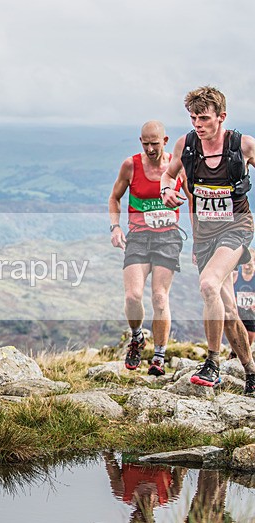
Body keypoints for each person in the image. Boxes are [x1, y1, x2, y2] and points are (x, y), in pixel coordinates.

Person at [161, 86, 255, 396]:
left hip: (237, 228)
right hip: (204, 237)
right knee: (226, 307)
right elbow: (169, 175)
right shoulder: (186, 145)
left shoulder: (242, 146)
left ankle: (212, 364)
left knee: (208, 285)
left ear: (221, 117)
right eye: (192, 118)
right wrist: (167, 191)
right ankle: (251, 371)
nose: (197, 125)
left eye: (204, 118)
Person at [109, 121, 187, 375]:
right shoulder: (131, 165)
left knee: (159, 297)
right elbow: (114, 197)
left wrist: (202, 235)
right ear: (140, 142)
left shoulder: (178, 166)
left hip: (168, 238)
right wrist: (115, 227)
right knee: (133, 295)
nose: (151, 148)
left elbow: (195, 199)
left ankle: (159, 356)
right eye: (146, 143)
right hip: (139, 237)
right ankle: (136, 337)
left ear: (165, 141)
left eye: (155, 143)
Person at [230, 248, 255, 357]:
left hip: (251, 312)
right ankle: (234, 354)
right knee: (237, 334)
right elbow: (228, 290)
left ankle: (245, 356)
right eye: (244, 264)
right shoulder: (235, 276)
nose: (246, 266)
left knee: (249, 336)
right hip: (237, 311)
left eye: (249, 263)